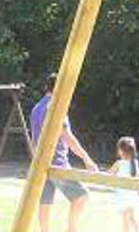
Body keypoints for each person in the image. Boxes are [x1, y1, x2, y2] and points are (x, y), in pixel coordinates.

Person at [31, 73, 98, 232]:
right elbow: (68, 138)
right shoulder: (56, 108)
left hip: (40, 162)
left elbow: (34, 137)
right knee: (81, 196)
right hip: (57, 163)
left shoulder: (37, 108)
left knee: (45, 203)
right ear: (60, 87)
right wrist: (87, 159)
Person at [108, 137, 139, 232]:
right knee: (131, 217)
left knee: (125, 220)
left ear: (121, 151)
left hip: (123, 195)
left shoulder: (119, 163)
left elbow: (108, 175)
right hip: (132, 194)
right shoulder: (135, 163)